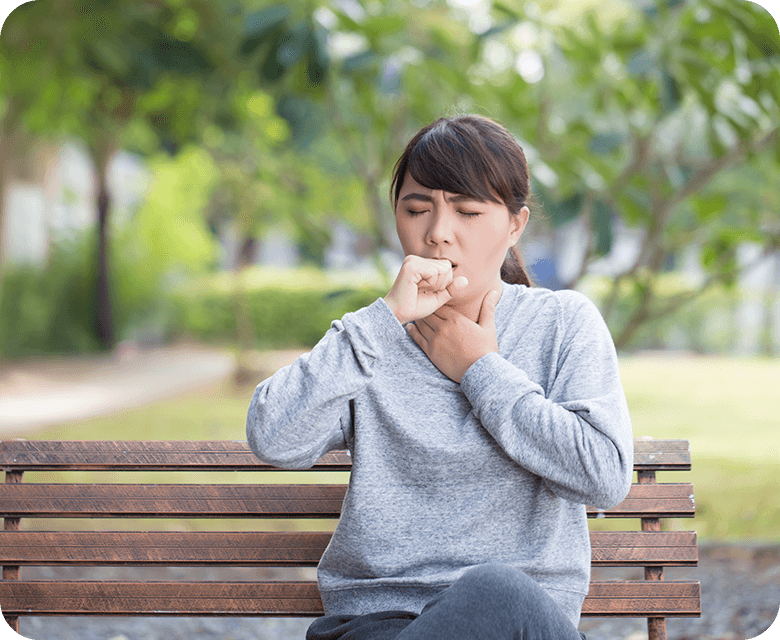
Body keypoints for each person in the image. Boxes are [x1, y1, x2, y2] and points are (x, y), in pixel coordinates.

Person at [246, 114, 634, 640]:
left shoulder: (563, 324)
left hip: (523, 626)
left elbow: (604, 475)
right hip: (379, 625)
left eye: (468, 211)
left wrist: (481, 371)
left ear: (515, 225)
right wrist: (382, 320)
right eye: (416, 209)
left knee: (499, 594)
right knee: (496, 593)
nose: (436, 234)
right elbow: (274, 437)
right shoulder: (372, 340)